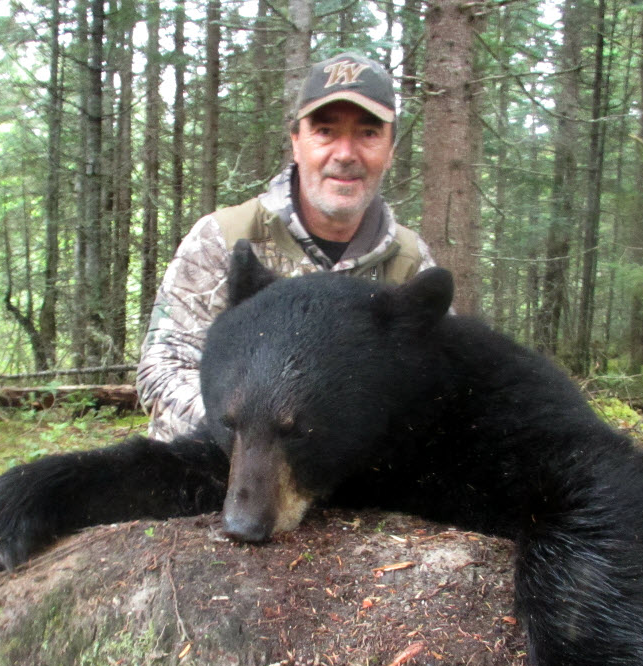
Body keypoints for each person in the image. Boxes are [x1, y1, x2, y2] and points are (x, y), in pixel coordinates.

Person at [137, 52, 435, 441]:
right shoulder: (224, 239)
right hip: (221, 463)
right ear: (296, 142)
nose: (345, 154)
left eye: (368, 133)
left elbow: (437, 391)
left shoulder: (409, 264)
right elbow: (161, 370)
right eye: (325, 131)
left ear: (391, 150)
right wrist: (250, 431)